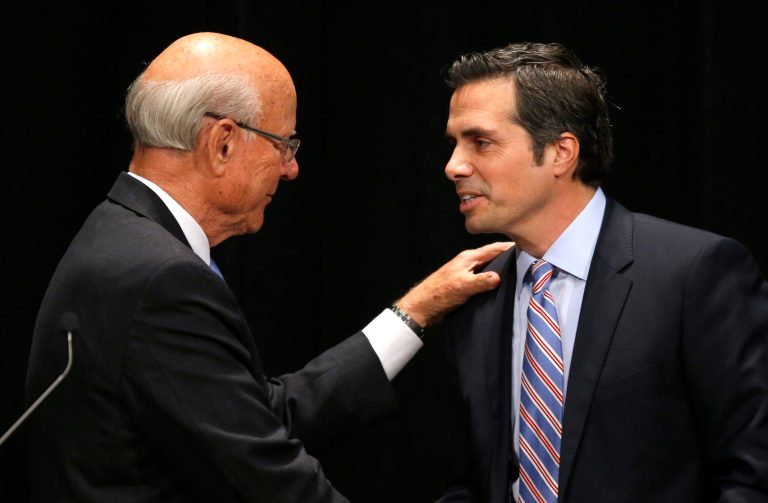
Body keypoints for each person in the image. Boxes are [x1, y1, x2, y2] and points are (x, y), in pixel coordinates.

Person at [23, 32, 512, 502]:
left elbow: (250, 415)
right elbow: (267, 475)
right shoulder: (160, 279)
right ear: (223, 144)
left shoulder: (118, 234)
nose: (291, 168)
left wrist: (415, 310)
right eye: (284, 144)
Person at [437, 42, 768, 503]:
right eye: (454, 144)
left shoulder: (695, 273)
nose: (454, 165)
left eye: (481, 142)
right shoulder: (476, 293)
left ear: (560, 152)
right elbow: (468, 481)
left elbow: (753, 475)